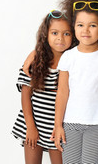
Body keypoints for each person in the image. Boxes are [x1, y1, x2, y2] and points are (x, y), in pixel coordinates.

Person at [53, 0, 98, 164]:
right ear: (74, 27)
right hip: (70, 122)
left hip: (97, 122)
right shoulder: (68, 57)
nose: (86, 30)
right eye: (80, 25)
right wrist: (58, 125)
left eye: (92, 25)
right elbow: (62, 92)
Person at [11, 10, 73, 164]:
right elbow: (25, 96)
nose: (60, 38)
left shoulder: (74, 63)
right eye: (55, 33)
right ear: (46, 35)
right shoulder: (35, 61)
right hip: (34, 124)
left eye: (66, 33)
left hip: (59, 129)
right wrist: (31, 127)